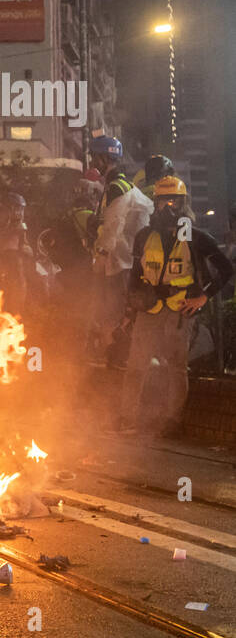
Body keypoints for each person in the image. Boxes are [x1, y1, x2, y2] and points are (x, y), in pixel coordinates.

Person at [121, 177, 234, 435]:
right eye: (162, 201)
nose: (168, 206)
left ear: (184, 205)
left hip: (179, 310)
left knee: (175, 368)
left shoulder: (195, 238)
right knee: (136, 366)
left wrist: (203, 297)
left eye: (174, 201)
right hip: (148, 309)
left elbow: (226, 270)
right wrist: (129, 309)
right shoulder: (144, 236)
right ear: (155, 203)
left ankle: (172, 422)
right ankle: (127, 419)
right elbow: (134, 276)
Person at [88, 136, 151, 367]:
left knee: (114, 313)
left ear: (104, 158)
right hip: (124, 260)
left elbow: (113, 227)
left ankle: (117, 358)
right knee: (116, 312)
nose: (93, 162)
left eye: (95, 156)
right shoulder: (121, 185)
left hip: (119, 262)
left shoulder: (116, 187)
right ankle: (117, 356)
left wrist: (101, 256)